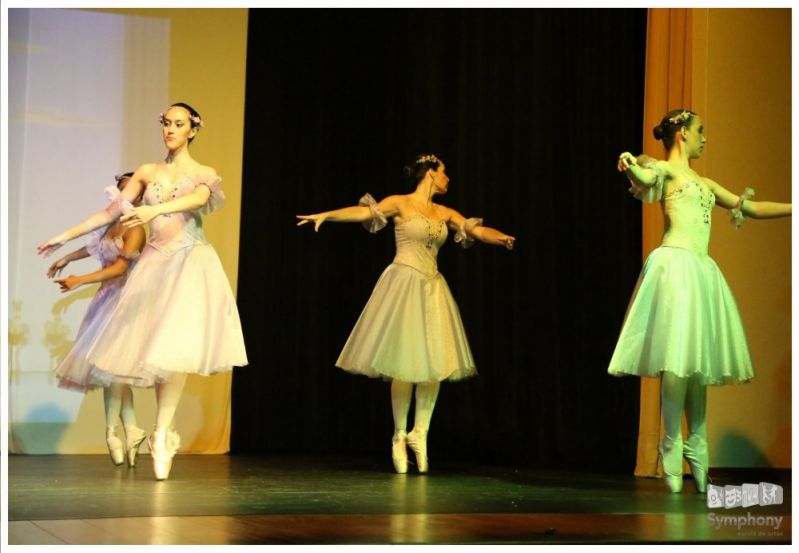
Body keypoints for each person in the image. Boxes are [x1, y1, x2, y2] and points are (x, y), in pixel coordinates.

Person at [38, 103, 248, 480]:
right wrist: (63, 236)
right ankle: (153, 431)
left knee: (176, 347)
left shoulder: (203, 172)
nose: (170, 128)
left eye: (179, 123)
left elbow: (200, 200)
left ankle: (162, 431)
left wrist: (154, 211)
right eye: (166, 122)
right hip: (154, 264)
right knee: (150, 348)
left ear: (193, 130)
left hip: (189, 261)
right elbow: (108, 214)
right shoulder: (148, 172)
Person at [609, 109, 791, 493]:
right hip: (675, 268)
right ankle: (671, 444)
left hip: (701, 273)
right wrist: (629, 161)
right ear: (681, 134)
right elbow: (644, 176)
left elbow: (752, 208)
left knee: (697, 367)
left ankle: (697, 444)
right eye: (700, 131)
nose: (705, 138)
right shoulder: (665, 169)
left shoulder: (704, 182)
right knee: (676, 363)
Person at [297, 154, 515, 474]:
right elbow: (363, 213)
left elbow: (474, 229)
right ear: (430, 173)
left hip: (432, 288)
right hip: (403, 283)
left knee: (436, 364)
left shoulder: (444, 211)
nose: (448, 179)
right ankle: (399, 434)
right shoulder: (400, 203)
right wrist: (327, 215)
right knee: (403, 363)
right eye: (444, 173)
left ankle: (420, 433)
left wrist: (501, 238)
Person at [50, 173, 147, 467]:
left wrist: (81, 279)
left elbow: (119, 268)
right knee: (110, 374)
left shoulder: (136, 227)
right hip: (104, 301)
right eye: (121, 190)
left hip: (124, 304)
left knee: (112, 370)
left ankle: (114, 433)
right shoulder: (110, 224)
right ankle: (128, 431)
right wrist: (68, 258)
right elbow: (95, 247)